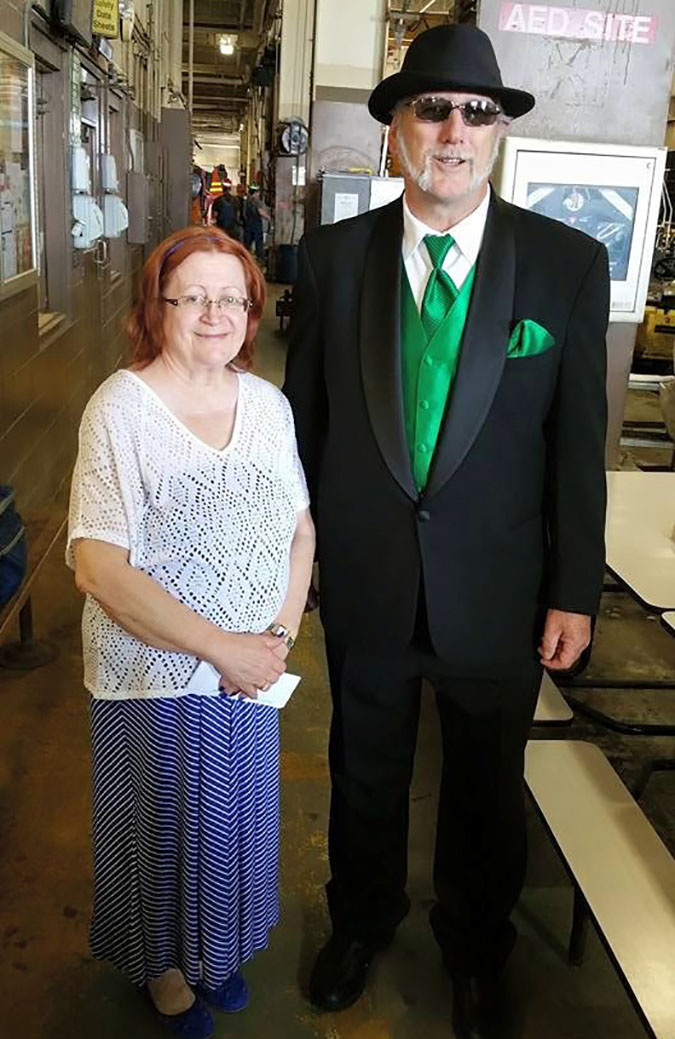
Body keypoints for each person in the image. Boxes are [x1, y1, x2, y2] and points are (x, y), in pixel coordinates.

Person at [283, 24, 608, 1039]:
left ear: (501, 133)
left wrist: (573, 589)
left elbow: (576, 445)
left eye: (478, 112)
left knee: (484, 786)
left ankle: (475, 948)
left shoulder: (564, 264)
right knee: (364, 769)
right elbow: (301, 430)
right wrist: (291, 574)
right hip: (371, 580)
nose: (455, 131)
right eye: (433, 109)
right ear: (395, 133)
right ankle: (363, 919)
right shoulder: (334, 260)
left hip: (501, 590)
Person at [67, 226, 315, 1039]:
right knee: (161, 827)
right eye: (193, 296)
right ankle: (165, 969)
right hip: (154, 678)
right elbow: (98, 569)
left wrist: (275, 633)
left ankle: (215, 951)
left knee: (234, 823)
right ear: (157, 306)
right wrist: (222, 646)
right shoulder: (121, 409)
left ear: (253, 312)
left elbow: (300, 530)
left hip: (249, 672)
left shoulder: (269, 406)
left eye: (232, 298)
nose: (215, 313)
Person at [243, 185, 266, 262]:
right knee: (259, 243)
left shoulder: (246, 201)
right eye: (258, 192)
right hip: (256, 225)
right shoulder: (256, 201)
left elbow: (243, 214)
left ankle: (244, 258)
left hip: (248, 225)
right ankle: (260, 260)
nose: (259, 194)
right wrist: (269, 218)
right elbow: (260, 212)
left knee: (247, 243)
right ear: (256, 192)